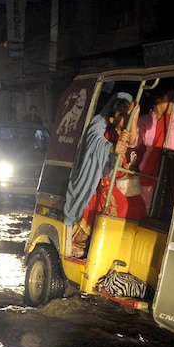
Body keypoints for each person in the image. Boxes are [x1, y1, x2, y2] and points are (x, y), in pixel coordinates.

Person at [63, 92, 145, 258]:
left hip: (118, 182)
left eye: (127, 114)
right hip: (102, 182)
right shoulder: (102, 129)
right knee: (119, 207)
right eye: (121, 114)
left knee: (137, 209)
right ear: (112, 119)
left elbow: (133, 143)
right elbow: (96, 144)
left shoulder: (124, 133)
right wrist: (113, 148)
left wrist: (133, 118)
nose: (125, 117)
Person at [132, 90, 174, 210]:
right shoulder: (145, 120)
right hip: (148, 170)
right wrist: (134, 119)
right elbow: (134, 141)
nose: (172, 104)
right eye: (169, 99)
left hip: (169, 170)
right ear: (158, 100)